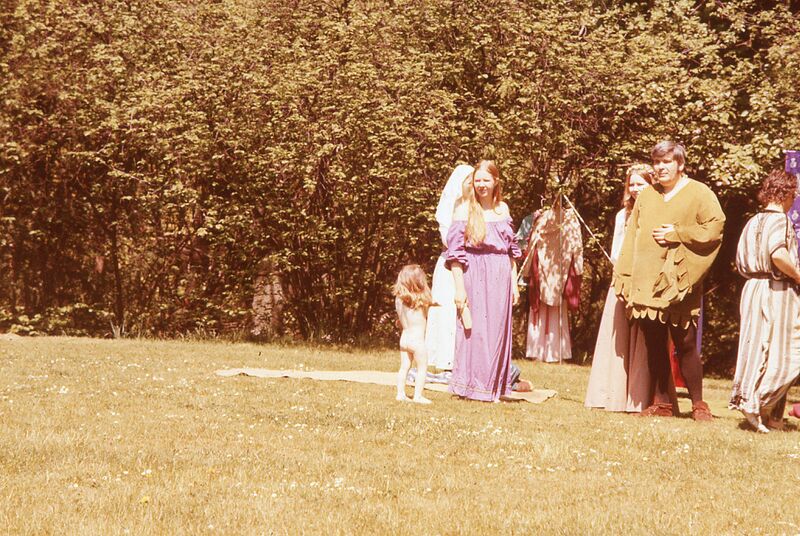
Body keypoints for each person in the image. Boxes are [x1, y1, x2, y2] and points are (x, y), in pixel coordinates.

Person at [614, 141, 725, 420]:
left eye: (667, 162)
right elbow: (631, 236)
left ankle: (699, 405)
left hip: (678, 282)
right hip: (646, 280)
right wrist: (624, 275)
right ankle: (662, 403)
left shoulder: (699, 193)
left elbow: (714, 228)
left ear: (680, 164)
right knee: (654, 344)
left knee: (685, 343)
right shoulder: (647, 196)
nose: (661, 168)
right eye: (657, 162)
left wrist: (678, 233)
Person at [585, 164, 661, 412]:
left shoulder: (660, 210)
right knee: (618, 337)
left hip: (649, 281)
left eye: (641, 183)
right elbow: (616, 251)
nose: (636, 189)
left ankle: (641, 397)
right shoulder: (623, 215)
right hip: (624, 278)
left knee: (644, 339)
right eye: (632, 184)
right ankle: (613, 395)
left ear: (652, 184)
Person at [729, 170, 800, 432]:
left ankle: (772, 417)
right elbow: (777, 254)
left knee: (758, 350)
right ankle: (755, 401)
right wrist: (798, 275)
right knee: (787, 350)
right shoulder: (780, 221)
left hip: (753, 288)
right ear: (786, 194)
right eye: (793, 194)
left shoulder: (753, 221)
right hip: (776, 289)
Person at [447, 160, 522, 401]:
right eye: (477, 180)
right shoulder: (464, 210)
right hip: (474, 274)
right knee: (475, 332)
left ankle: (493, 388)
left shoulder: (503, 210)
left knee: (496, 333)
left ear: (495, 182)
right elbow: (455, 255)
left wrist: (514, 283)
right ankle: (471, 387)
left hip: (500, 276)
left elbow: (511, 251)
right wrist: (459, 289)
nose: (481, 185)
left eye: (485, 180)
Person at [520, 197, 583, 362]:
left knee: (554, 308)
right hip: (550, 268)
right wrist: (578, 268)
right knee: (550, 309)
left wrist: (527, 271)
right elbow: (532, 243)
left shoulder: (566, 219)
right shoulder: (544, 218)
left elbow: (576, 245)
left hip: (557, 267)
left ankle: (551, 352)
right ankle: (545, 352)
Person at [425, 164, 474, 371]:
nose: (472, 185)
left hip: (471, 265)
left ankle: (467, 361)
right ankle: (446, 361)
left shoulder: (476, 208)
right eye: (469, 182)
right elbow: (448, 240)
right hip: (449, 265)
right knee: (447, 311)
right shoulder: (449, 209)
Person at [392, 264, 434, 404]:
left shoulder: (399, 300)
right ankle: (418, 396)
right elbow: (432, 305)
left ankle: (400, 394)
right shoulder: (422, 300)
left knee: (404, 367)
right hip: (417, 341)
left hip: (404, 339)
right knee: (422, 367)